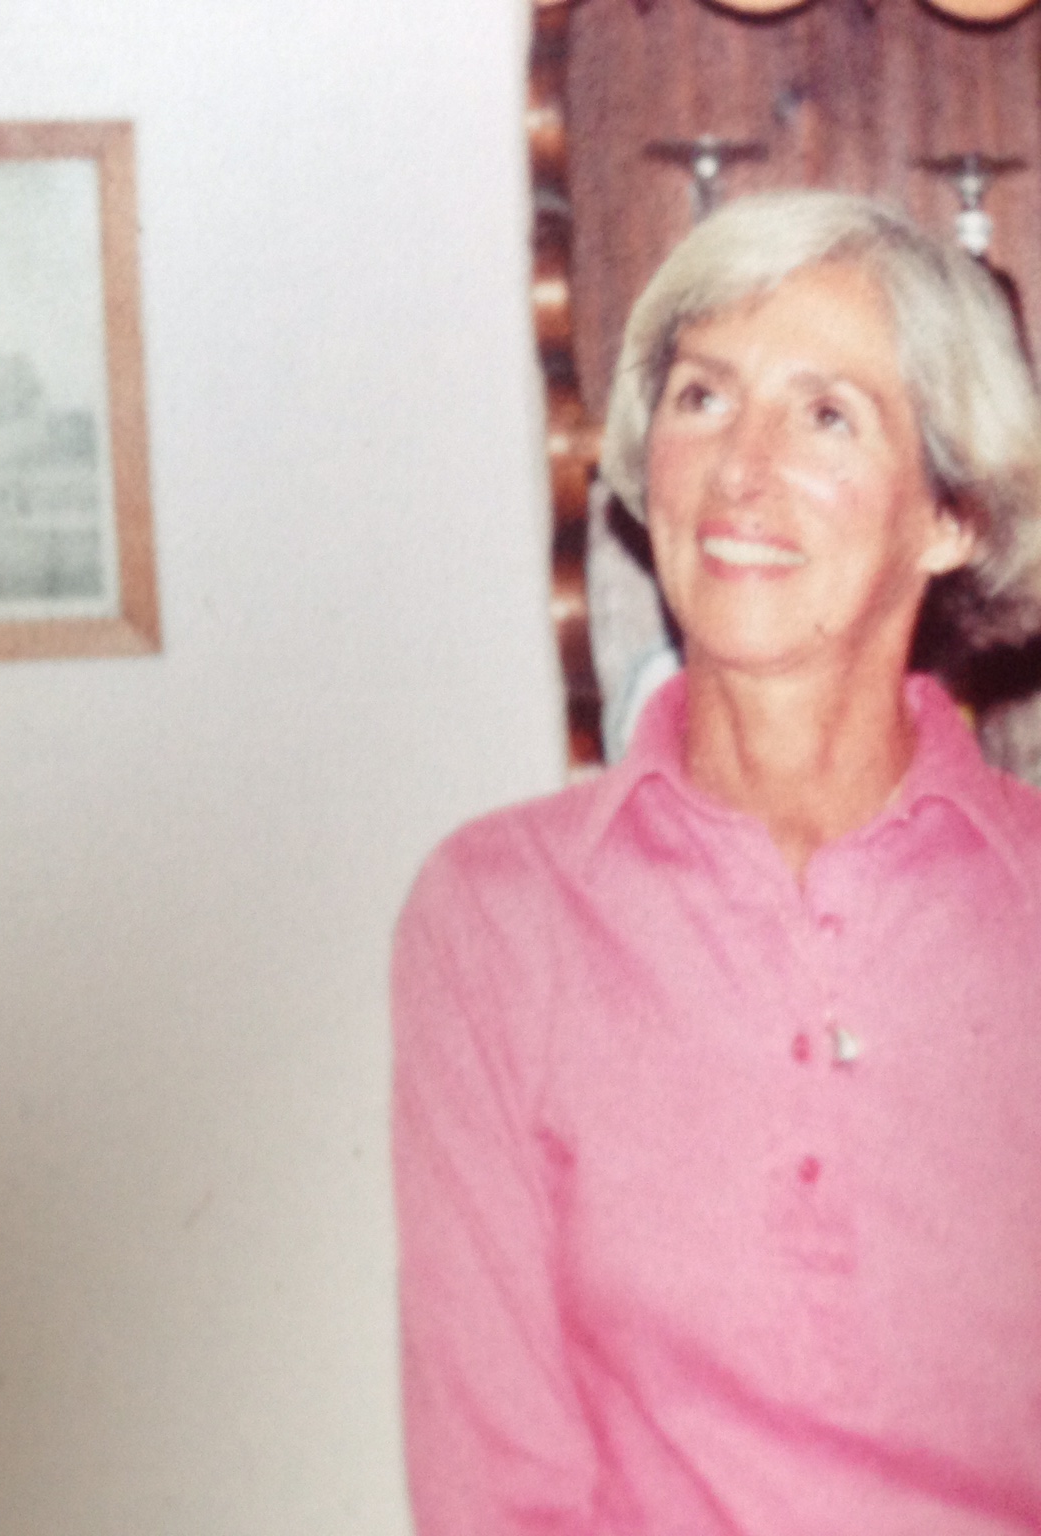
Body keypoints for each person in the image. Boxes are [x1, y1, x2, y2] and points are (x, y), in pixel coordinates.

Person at [393, 190, 1041, 1533]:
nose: (741, 470)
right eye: (702, 398)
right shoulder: (498, 919)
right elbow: (498, 1487)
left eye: (825, 415)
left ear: (951, 516)